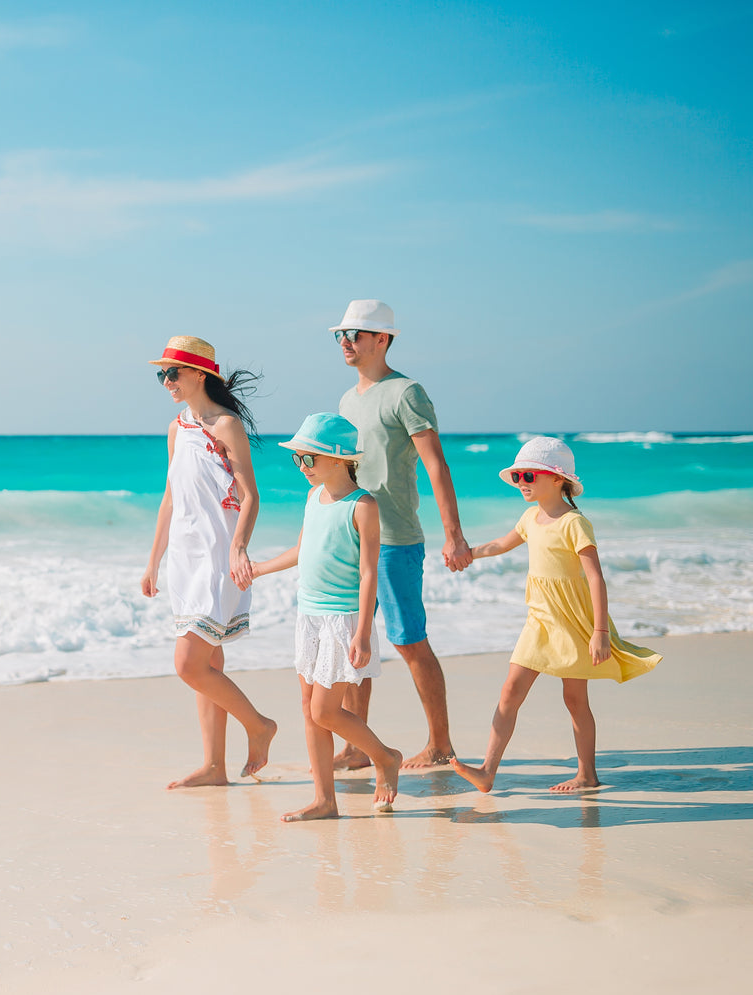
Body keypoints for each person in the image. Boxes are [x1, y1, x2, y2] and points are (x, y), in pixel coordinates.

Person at [451, 437, 661, 793]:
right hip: (539, 620)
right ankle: (487, 771)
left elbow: (595, 576)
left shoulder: (574, 523)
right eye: (518, 477)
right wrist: (468, 553)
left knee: (575, 699)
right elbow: (501, 544)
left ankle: (586, 775)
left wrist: (600, 631)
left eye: (528, 476)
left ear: (556, 479)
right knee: (509, 691)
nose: (521, 484)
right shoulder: (530, 517)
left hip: (573, 622)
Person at [330, 299, 470, 771]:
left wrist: (454, 534)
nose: (345, 342)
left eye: (355, 334)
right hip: (353, 537)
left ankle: (440, 744)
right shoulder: (347, 400)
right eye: (341, 335)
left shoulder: (407, 392)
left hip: (396, 539)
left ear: (382, 339)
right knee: (354, 640)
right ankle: (355, 745)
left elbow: (436, 464)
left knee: (409, 641)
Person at [141, 335, 277, 789]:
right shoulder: (177, 427)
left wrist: (239, 547)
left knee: (189, 665)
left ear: (200, 374)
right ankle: (215, 767)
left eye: (172, 373)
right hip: (183, 556)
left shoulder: (226, 425)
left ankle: (259, 725)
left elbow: (250, 496)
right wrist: (153, 561)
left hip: (217, 558)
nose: (166, 382)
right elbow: (169, 498)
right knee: (209, 665)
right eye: (162, 374)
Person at [252, 413, 402, 821]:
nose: (301, 467)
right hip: (309, 616)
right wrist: (260, 567)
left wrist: (364, 632)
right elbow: (302, 551)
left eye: (308, 459)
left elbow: (370, 571)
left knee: (325, 711)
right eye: (298, 459)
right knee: (308, 707)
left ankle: (385, 757)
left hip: (343, 619)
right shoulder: (312, 498)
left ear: (338, 459)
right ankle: (325, 801)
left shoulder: (363, 505)